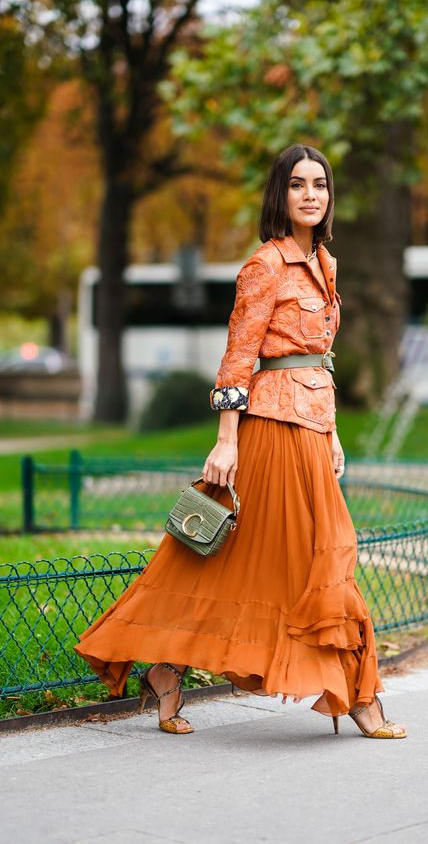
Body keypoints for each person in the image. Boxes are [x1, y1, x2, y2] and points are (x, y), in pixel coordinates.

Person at [75, 143, 407, 740]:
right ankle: (360, 698)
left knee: (259, 562)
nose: (311, 194)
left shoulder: (325, 263)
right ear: (280, 194)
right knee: (320, 553)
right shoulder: (265, 265)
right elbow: (239, 358)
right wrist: (226, 441)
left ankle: (168, 670)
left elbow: (321, 358)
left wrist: (332, 433)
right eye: (298, 184)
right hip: (271, 431)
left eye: (320, 184)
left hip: (312, 430)